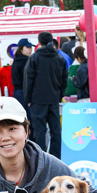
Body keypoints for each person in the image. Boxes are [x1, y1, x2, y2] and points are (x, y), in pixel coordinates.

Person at [23, 31, 67, 159]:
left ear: (39, 42)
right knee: (55, 130)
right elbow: (64, 79)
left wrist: (28, 98)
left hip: (37, 99)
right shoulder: (59, 58)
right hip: (54, 98)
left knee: (39, 130)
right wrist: (59, 95)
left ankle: (41, 158)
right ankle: (56, 158)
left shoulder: (34, 57)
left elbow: (28, 79)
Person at [11, 40, 33, 110]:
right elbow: (29, 79)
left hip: (18, 92)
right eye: (28, 47)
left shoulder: (16, 60)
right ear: (21, 49)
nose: (30, 49)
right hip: (24, 92)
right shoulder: (24, 62)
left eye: (31, 47)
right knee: (26, 118)